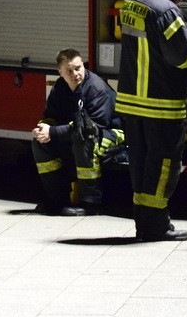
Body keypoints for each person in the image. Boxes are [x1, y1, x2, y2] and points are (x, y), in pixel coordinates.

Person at [116, 0, 187, 242]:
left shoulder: (131, 3)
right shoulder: (166, 11)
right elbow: (181, 56)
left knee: (140, 163)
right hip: (161, 103)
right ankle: (156, 225)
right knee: (164, 163)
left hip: (132, 100)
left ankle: (144, 222)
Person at [32, 49, 124, 217]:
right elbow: (51, 117)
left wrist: (52, 131)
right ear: (60, 72)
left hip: (111, 133)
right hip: (77, 132)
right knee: (39, 143)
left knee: (84, 140)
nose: (75, 74)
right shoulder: (60, 87)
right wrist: (42, 129)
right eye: (69, 71)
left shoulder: (96, 89)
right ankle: (57, 199)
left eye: (78, 68)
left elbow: (91, 128)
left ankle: (91, 201)